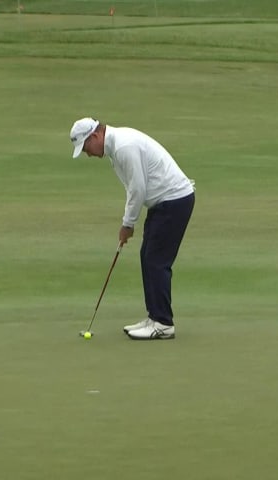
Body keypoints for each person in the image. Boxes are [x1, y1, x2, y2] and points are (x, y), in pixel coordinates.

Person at [69, 117, 195, 340]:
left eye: (86, 147)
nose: (87, 154)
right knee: (148, 257)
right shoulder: (116, 149)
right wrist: (129, 221)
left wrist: (128, 224)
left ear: (95, 136)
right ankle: (155, 316)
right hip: (163, 203)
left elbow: (138, 188)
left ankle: (163, 323)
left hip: (174, 201)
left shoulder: (124, 147)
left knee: (156, 261)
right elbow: (134, 189)